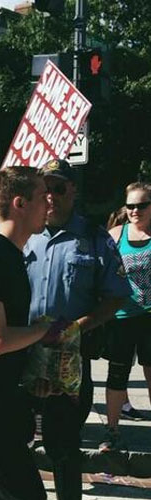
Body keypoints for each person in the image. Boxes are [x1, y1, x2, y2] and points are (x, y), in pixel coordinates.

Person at [22, 159, 130, 500]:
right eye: (45, 189)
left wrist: (80, 327)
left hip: (69, 361)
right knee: (12, 439)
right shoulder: (19, 232)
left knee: (64, 445)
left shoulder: (95, 239)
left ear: (73, 191)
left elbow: (116, 295)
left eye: (58, 188)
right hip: (19, 354)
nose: (50, 196)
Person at [0, 166, 60, 500]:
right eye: (42, 196)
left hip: (5, 399)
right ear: (19, 203)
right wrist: (45, 330)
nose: (49, 204)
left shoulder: (9, 255)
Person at [100, 182, 151, 451]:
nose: (135, 210)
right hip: (120, 316)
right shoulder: (115, 235)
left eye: (142, 205)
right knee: (117, 374)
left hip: (149, 317)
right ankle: (112, 431)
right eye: (130, 205)